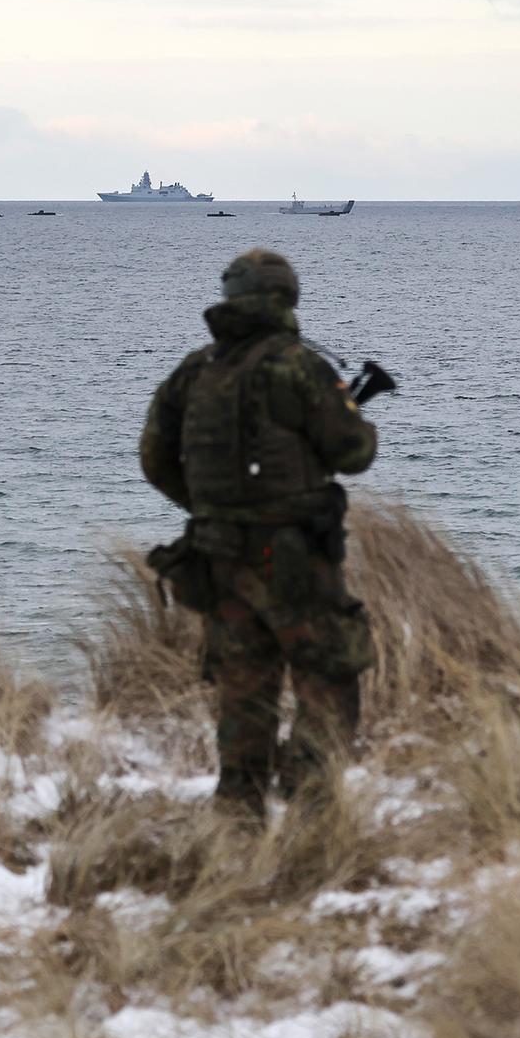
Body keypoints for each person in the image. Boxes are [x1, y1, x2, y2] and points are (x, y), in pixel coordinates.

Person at [139, 249, 378, 828]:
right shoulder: (298, 366)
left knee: (244, 688)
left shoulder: (194, 371)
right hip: (296, 559)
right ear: (286, 298)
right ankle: (311, 806)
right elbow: (355, 453)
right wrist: (352, 413)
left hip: (218, 558)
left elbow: (153, 457)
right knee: (328, 673)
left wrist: (209, 509)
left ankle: (238, 818)